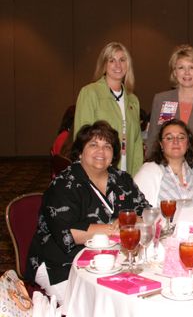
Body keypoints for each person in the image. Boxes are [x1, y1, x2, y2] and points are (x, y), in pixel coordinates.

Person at [26, 121, 150, 303]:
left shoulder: (122, 179)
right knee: (91, 307)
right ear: (80, 151)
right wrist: (114, 228)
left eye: (107, 146)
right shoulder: (64, 183)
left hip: (113, 259)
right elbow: (69, 234)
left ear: (114, 153)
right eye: (93, 145)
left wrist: (134, 220)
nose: (101, 151)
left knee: (131, 300)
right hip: (61, 264)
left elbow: (146, 214)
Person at [146, 45, 193, 193]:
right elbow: (153, 140)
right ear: (174, 72)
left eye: (192, 67)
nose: (187, 73)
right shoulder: (161, 100)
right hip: (166, 181)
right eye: (181, 67)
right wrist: (158, 172)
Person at [74, 42, 143, 175]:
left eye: (122, 60)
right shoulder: (90, 92)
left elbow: (137, 143)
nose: (118, 65)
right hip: (97, 171)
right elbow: (81, 138)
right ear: (104, 65)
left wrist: (136, 178)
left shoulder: (133, 100)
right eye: (112, 60)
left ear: (127, 65)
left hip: (125, 172)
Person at [135, 119, 193, 215]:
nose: (176, 141)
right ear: (161, 144)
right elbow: (139, 213)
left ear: (188, 143)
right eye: (169, 138)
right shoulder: (149, 172)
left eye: (181, 137)